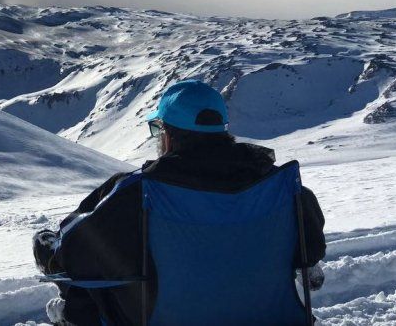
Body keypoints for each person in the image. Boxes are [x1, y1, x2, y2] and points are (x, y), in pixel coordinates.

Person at [33, 79, 326, 325]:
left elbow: (70, 253)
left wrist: (46, 247)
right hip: (270, 319)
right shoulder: (279, 188)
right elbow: (311, 249)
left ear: (169, 136)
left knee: (88, 285)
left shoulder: (141, 192)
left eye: (158, 130)